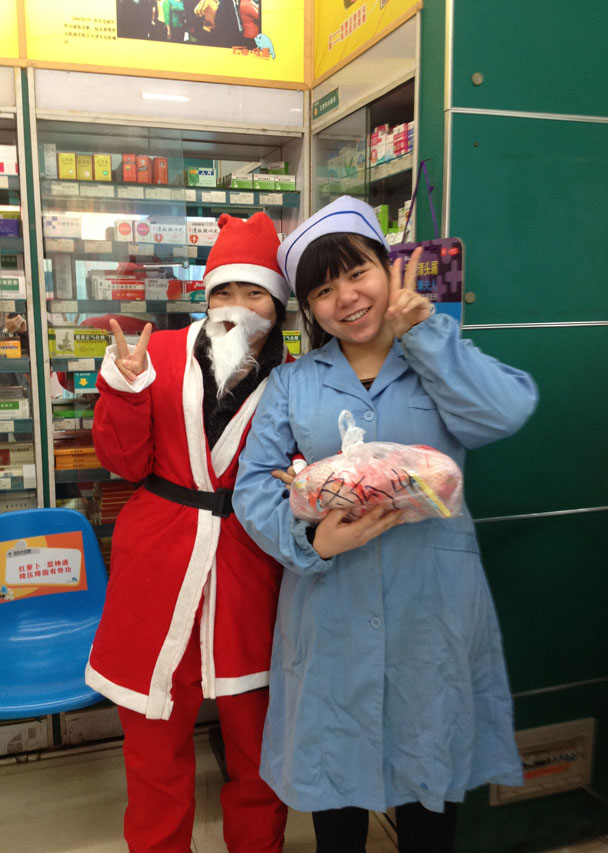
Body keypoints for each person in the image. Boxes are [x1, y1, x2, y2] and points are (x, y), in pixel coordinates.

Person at [233, 196, 539, 853]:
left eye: (357, 273)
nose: (345, 298)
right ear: (308, 307)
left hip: (432, 602)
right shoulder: (293, 384)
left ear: (388, 268)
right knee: (335, 795)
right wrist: (313, 540)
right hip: (331, 604)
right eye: (322, 290)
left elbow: (505, 412)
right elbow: (253, 486)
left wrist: (423, 332)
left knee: (430, 784)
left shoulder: (437, 356)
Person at [85, 211, 291, 852]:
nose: (237, 306)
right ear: (205, 296)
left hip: (252, 569)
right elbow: (124, 464)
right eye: (223, 291)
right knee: (154, 754)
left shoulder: (297, 375)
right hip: (159, 565)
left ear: (279, 304)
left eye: (255, 292)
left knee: (260, 752)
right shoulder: (158, 355)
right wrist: (124, 390)